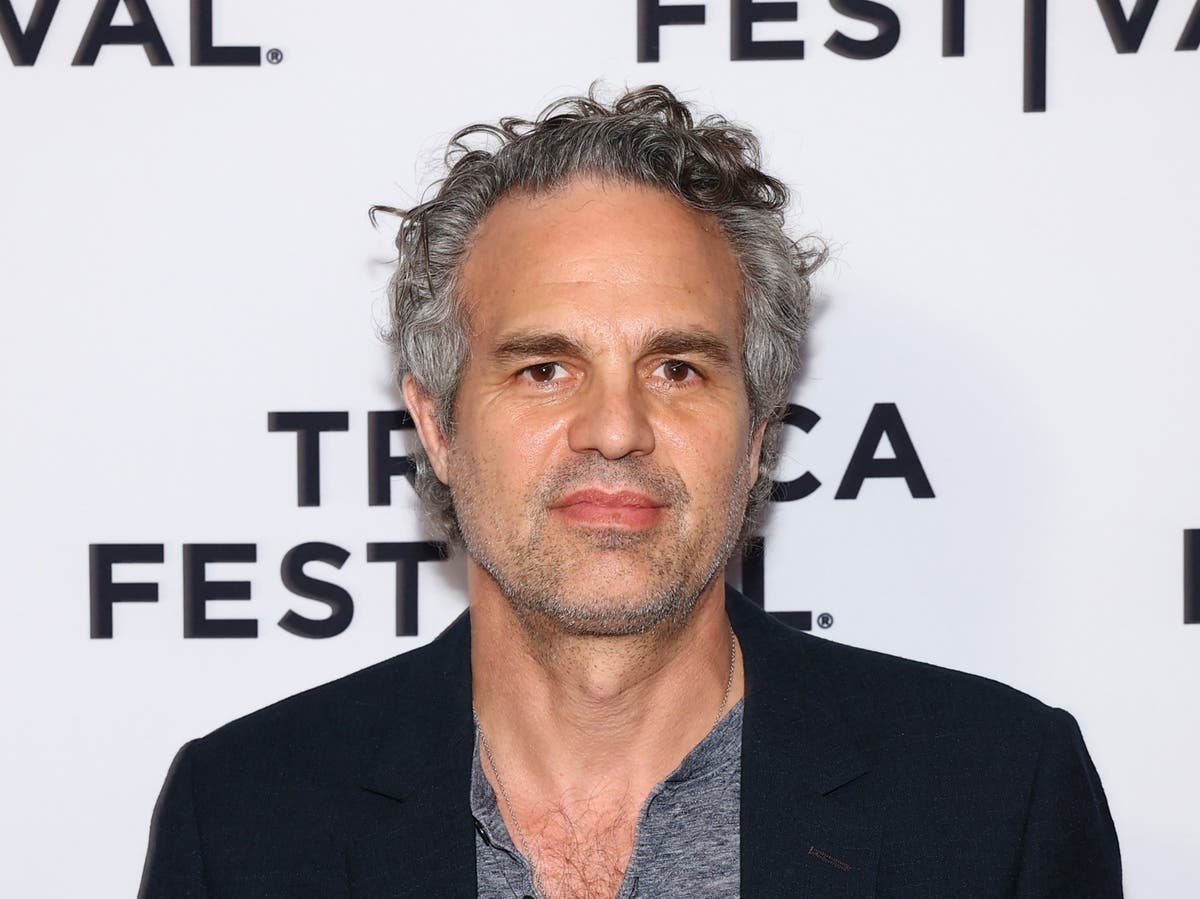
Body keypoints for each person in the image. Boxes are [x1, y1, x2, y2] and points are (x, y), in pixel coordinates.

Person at [139, 84, 1122, 898]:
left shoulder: (997, 798)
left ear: (758, 435)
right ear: (437, 425)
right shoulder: (242, 818)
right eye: (544, 368)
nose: (616, 428)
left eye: (678, 368)